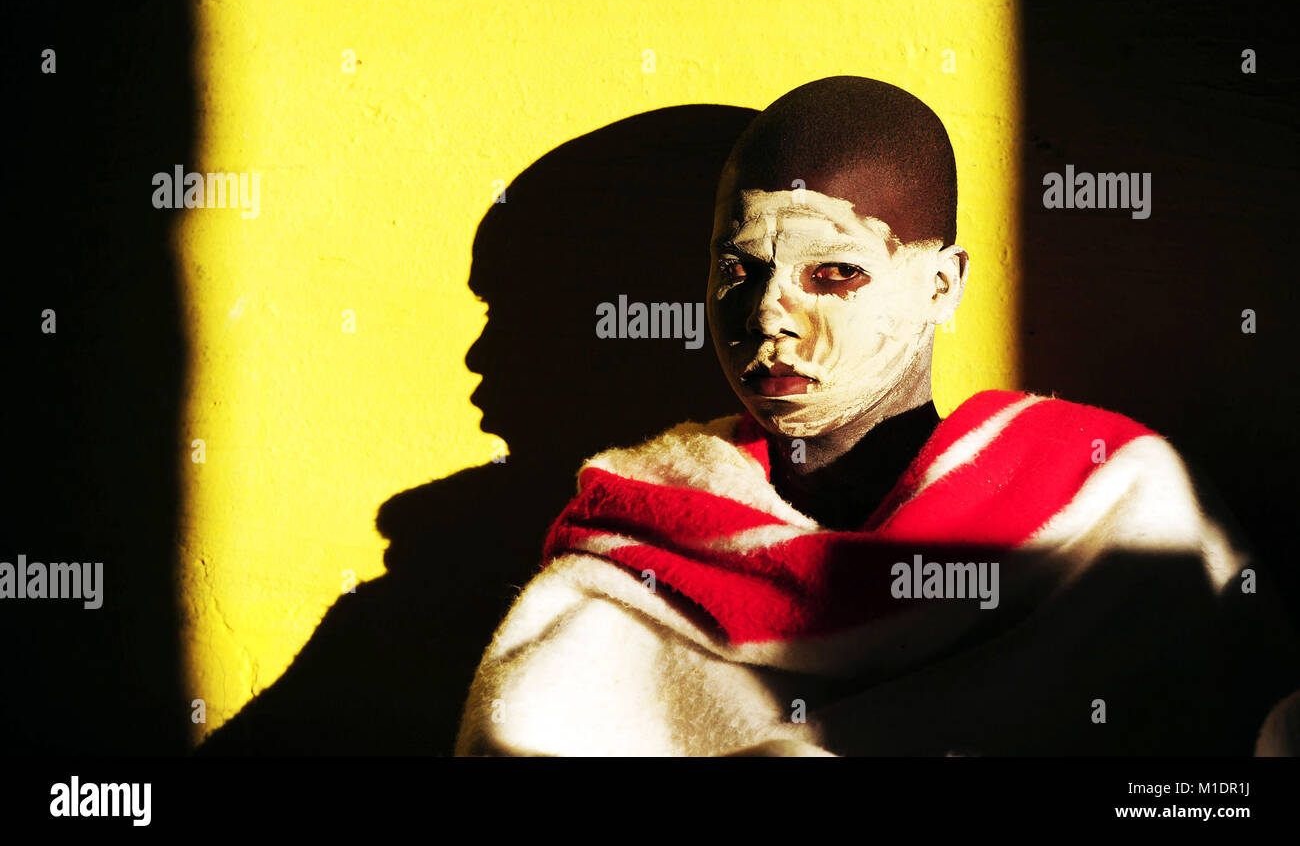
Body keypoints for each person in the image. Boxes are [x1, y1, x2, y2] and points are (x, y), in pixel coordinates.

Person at [454, 76, 1297, 757]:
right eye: (738, 270)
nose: (767, 315)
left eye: (833, 275)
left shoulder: (1117, 511)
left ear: (942, 286)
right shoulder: (632, 555)